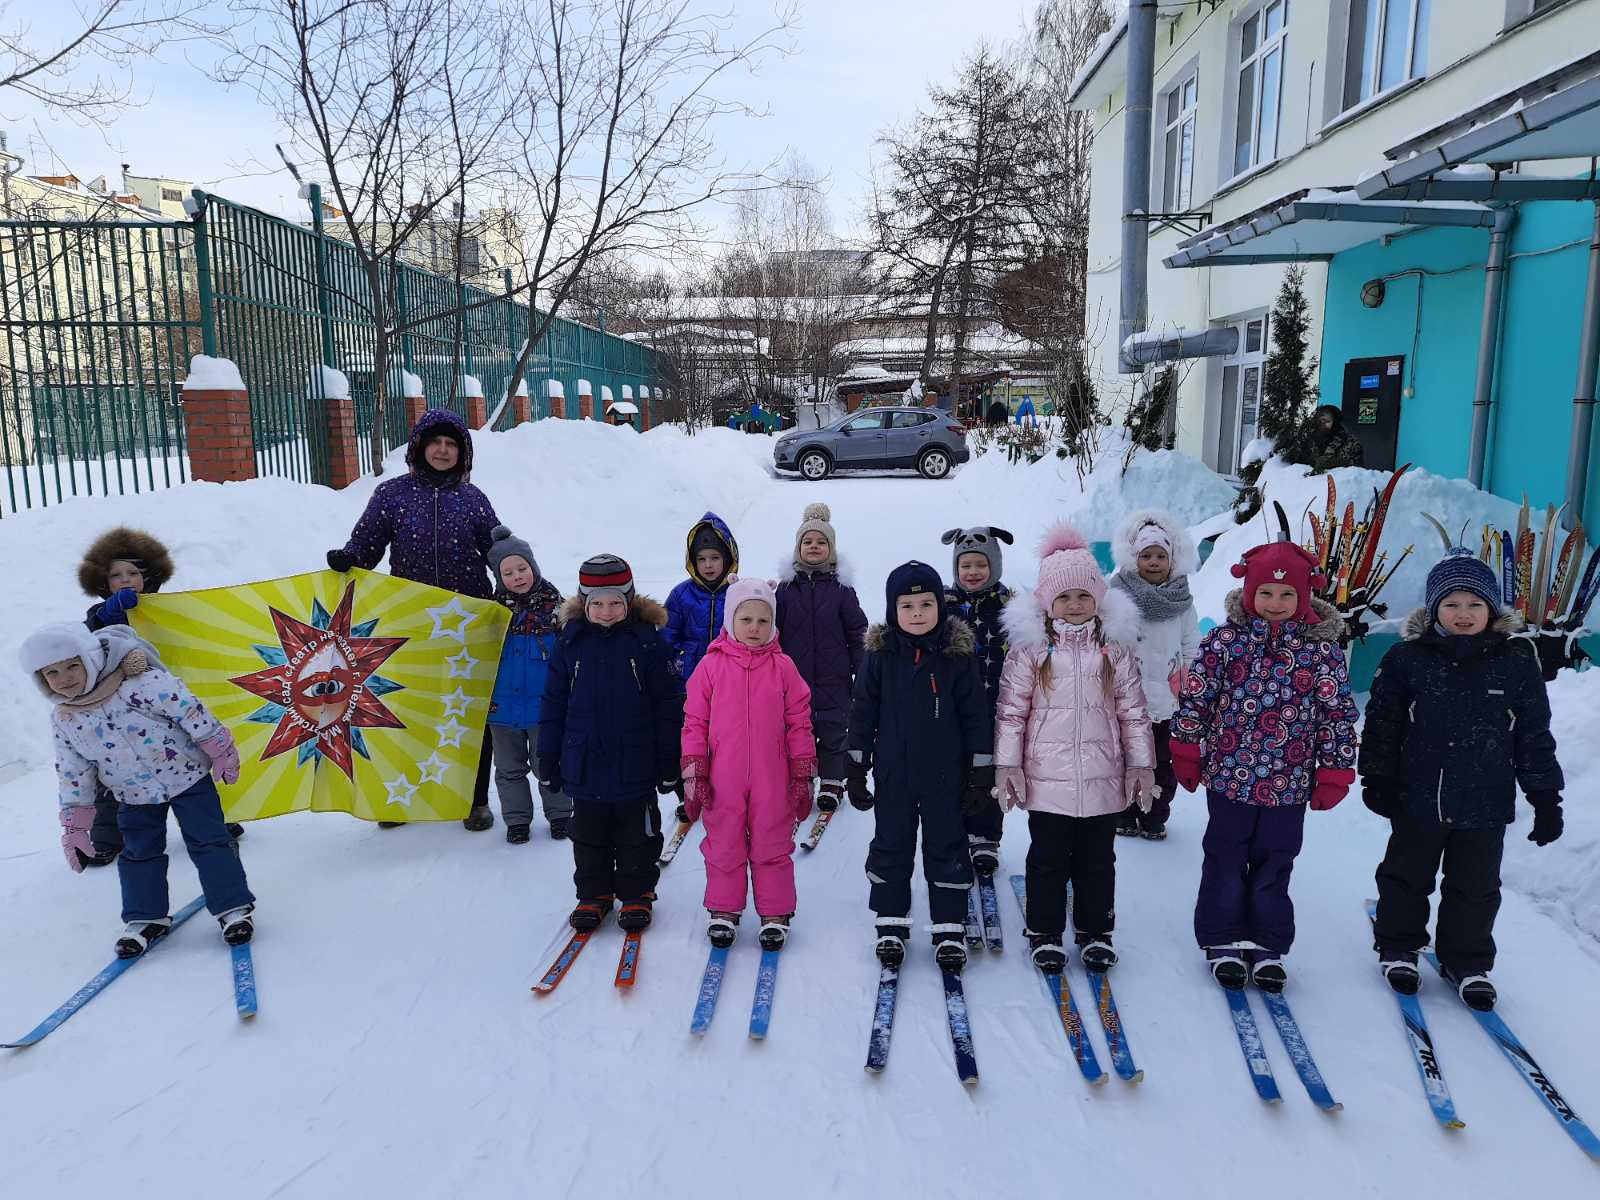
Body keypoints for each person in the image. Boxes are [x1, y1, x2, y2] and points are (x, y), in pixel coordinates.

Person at [1360, 549, 1564, 1011]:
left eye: (1474, 604)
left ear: (1491, 609)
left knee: (1475, 886)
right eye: (1451, 604)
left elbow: (1534, 734)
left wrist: (1546, 797)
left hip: (1486, 801)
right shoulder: (1408, 659)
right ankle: (1399, 946)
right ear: (1434, 610)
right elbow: (1383, 722)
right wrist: (1376, 776)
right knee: (1407, 876)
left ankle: (1467, 961)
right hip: (1418, 795)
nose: (1464, 614)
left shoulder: (1515, 662)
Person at [1172, 539, 1359, 992]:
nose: (1275, 604)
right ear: (1250, 593)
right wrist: (1186, 747)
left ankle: (1268, 944)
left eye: (1287, 595)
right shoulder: (1225, 643)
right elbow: (1198, 697)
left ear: (1303, 598)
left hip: (1288, 786)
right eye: (1267, 594)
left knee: (1276, 862)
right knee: (1225, 858)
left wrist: (1334, 771)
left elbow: (1337, 715)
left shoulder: (1322, 653)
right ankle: (1222, 938)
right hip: (1229, 779)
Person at [21, 621, 255, 958]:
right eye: (52, 673)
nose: (66, 677)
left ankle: (233, 908)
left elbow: (190, 709)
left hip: (188, 778)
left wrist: (219, 748)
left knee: (209, 841)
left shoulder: (139, 684)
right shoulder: (65, 719)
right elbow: (73, 771)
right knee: (138, 853)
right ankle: (147, 917)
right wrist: (75, 825)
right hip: (132, 795)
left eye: (73, 665)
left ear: (89, 658)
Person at [326, 407, 501, 831]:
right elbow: (367, 546)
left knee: (470, 710)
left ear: (463, 452)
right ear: (419, 447)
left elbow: (497, 549)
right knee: (406, 709)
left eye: (451, 444)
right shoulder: (391, 494)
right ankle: (398, 796)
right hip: (411, 619)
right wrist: (348, 560)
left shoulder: (473, 499)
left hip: (468, 620)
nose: (442, 450)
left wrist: (520, 586)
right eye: (435, 442)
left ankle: (473, 799)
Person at [994, 524, 1154, 974]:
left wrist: (1141, 766)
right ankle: (1044, 931)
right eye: (1064, 598)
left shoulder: (1115, 650)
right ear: (1047, 601)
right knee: (1047, 859)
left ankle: (1095, 930)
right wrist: (1008, 765)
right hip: (1047, 781)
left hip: (1103, 780)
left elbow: (1134, 713)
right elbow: (1011, 713)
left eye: (1084, 595)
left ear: (1099, 598)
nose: (1075, 605)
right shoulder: (1031, 651)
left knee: (1098, 861)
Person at [847, 561, 992, 973]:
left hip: (947, 778)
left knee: (947, 847)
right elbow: (862, 714)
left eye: (925, 604)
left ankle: (949, 926)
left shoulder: (957, 657)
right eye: (906, 605)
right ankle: (891, 922)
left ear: (940, 607)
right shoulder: (879, 657)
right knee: (891, 845)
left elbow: (976, 718)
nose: (916, 614)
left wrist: (981, 772)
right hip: (894, 776)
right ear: (892, 609)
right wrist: (855, 767)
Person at [78, 526, 245, 856]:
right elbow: (91, 645)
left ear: (149, 577)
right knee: (114, 772)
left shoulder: (165, 613)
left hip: (164, 708)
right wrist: (113, 614)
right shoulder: (98, 617)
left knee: (190, 765)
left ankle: (212, 824)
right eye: (116, 575)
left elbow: (191, 643)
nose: (125, 580)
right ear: (102, 582)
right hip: (117, 713)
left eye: (133, 573)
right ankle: (107, 839)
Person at [537, 555, 680, 932]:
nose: (605, 610)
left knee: (638, 835)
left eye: (615, 602)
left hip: (636, 761)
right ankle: (594, 893)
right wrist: (548, 759)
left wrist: (670, 764)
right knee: (587, 835)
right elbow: (553, 706)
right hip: (583, 761)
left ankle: (637, 893)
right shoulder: (570, 644)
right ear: (583, 603)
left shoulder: (648, 644)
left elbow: (668, 708)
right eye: (596, 603)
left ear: (629, 602)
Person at [681, 577, 815, 949]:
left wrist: (802, 771)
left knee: (772, 841)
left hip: (774, 777)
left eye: (762, 620)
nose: (754, 628)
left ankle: (775, 912)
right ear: (729, 621)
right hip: (724, 775)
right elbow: (694, 722)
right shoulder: (710, 667)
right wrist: (695, 772)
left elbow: (799, 721)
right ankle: (724, 909)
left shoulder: (784, 668)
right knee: (724, 840)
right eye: (746, 620)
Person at [1108, 510, 1201, 841]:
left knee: (1163, 763)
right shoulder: (1118, 595)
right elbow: (1108, 640)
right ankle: (1124, 810)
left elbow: (1191, 645)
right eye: (1146, 555)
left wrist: (1187, 680)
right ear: (1134, 558)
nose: (1153, 561)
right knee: (1126, 757)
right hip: (1128, 699)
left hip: (1167, 701)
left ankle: (1154, 814)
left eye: (1160, 555)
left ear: (1172, 559)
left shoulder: (1182, 602)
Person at [775, 503, 867, 814]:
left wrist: (862, 671)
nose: (814, 547)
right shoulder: (785, 590)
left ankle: (831, 781)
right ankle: (801, 778)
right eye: (808, 542)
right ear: (798, 548)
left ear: (831, 549)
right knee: (797, 730)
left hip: (834, 679)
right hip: (793, 679)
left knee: (833, 731)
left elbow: (857, 632)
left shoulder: (842, 590)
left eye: (821, 542)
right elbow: (773, 632)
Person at [486, 525, 572, 844]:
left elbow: (571, 660)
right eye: (508, 572)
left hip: (544, 709)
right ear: (499, 577)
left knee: (548, 764)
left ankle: (561, 815)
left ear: (533, 567)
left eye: (522, 568)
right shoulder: (491, 616)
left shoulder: (559, 612)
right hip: (501, 709)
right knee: (509, 770)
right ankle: (518, 820)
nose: (517, 576)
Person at [940, 526, 1015, 876]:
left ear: (994, 566)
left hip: (994, 705)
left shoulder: (1010, 605)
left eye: (980, 565)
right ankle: (954, 832)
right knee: (953, 769)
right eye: (965, 565)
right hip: (952, 708)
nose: (972, 572)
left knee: (988, 771)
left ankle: (985, 836)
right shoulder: (943, 602)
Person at [664, 512, 739, 682]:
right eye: (701, 559)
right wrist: (679, 659)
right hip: (689, 677)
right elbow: (666, 638)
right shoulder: (681, 595)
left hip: (729, 677)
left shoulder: (738, 593)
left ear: (727, 560)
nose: (708, 565)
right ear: (693, 561)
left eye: (715, 558)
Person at [1309, 404, 1364, 473]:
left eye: (1327, 421)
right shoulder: (1309, 438)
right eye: (1321, 420)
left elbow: (1357, 472)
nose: (1323, 424)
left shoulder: (1351, 443)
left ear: (1335, 423)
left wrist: (1335, 463)